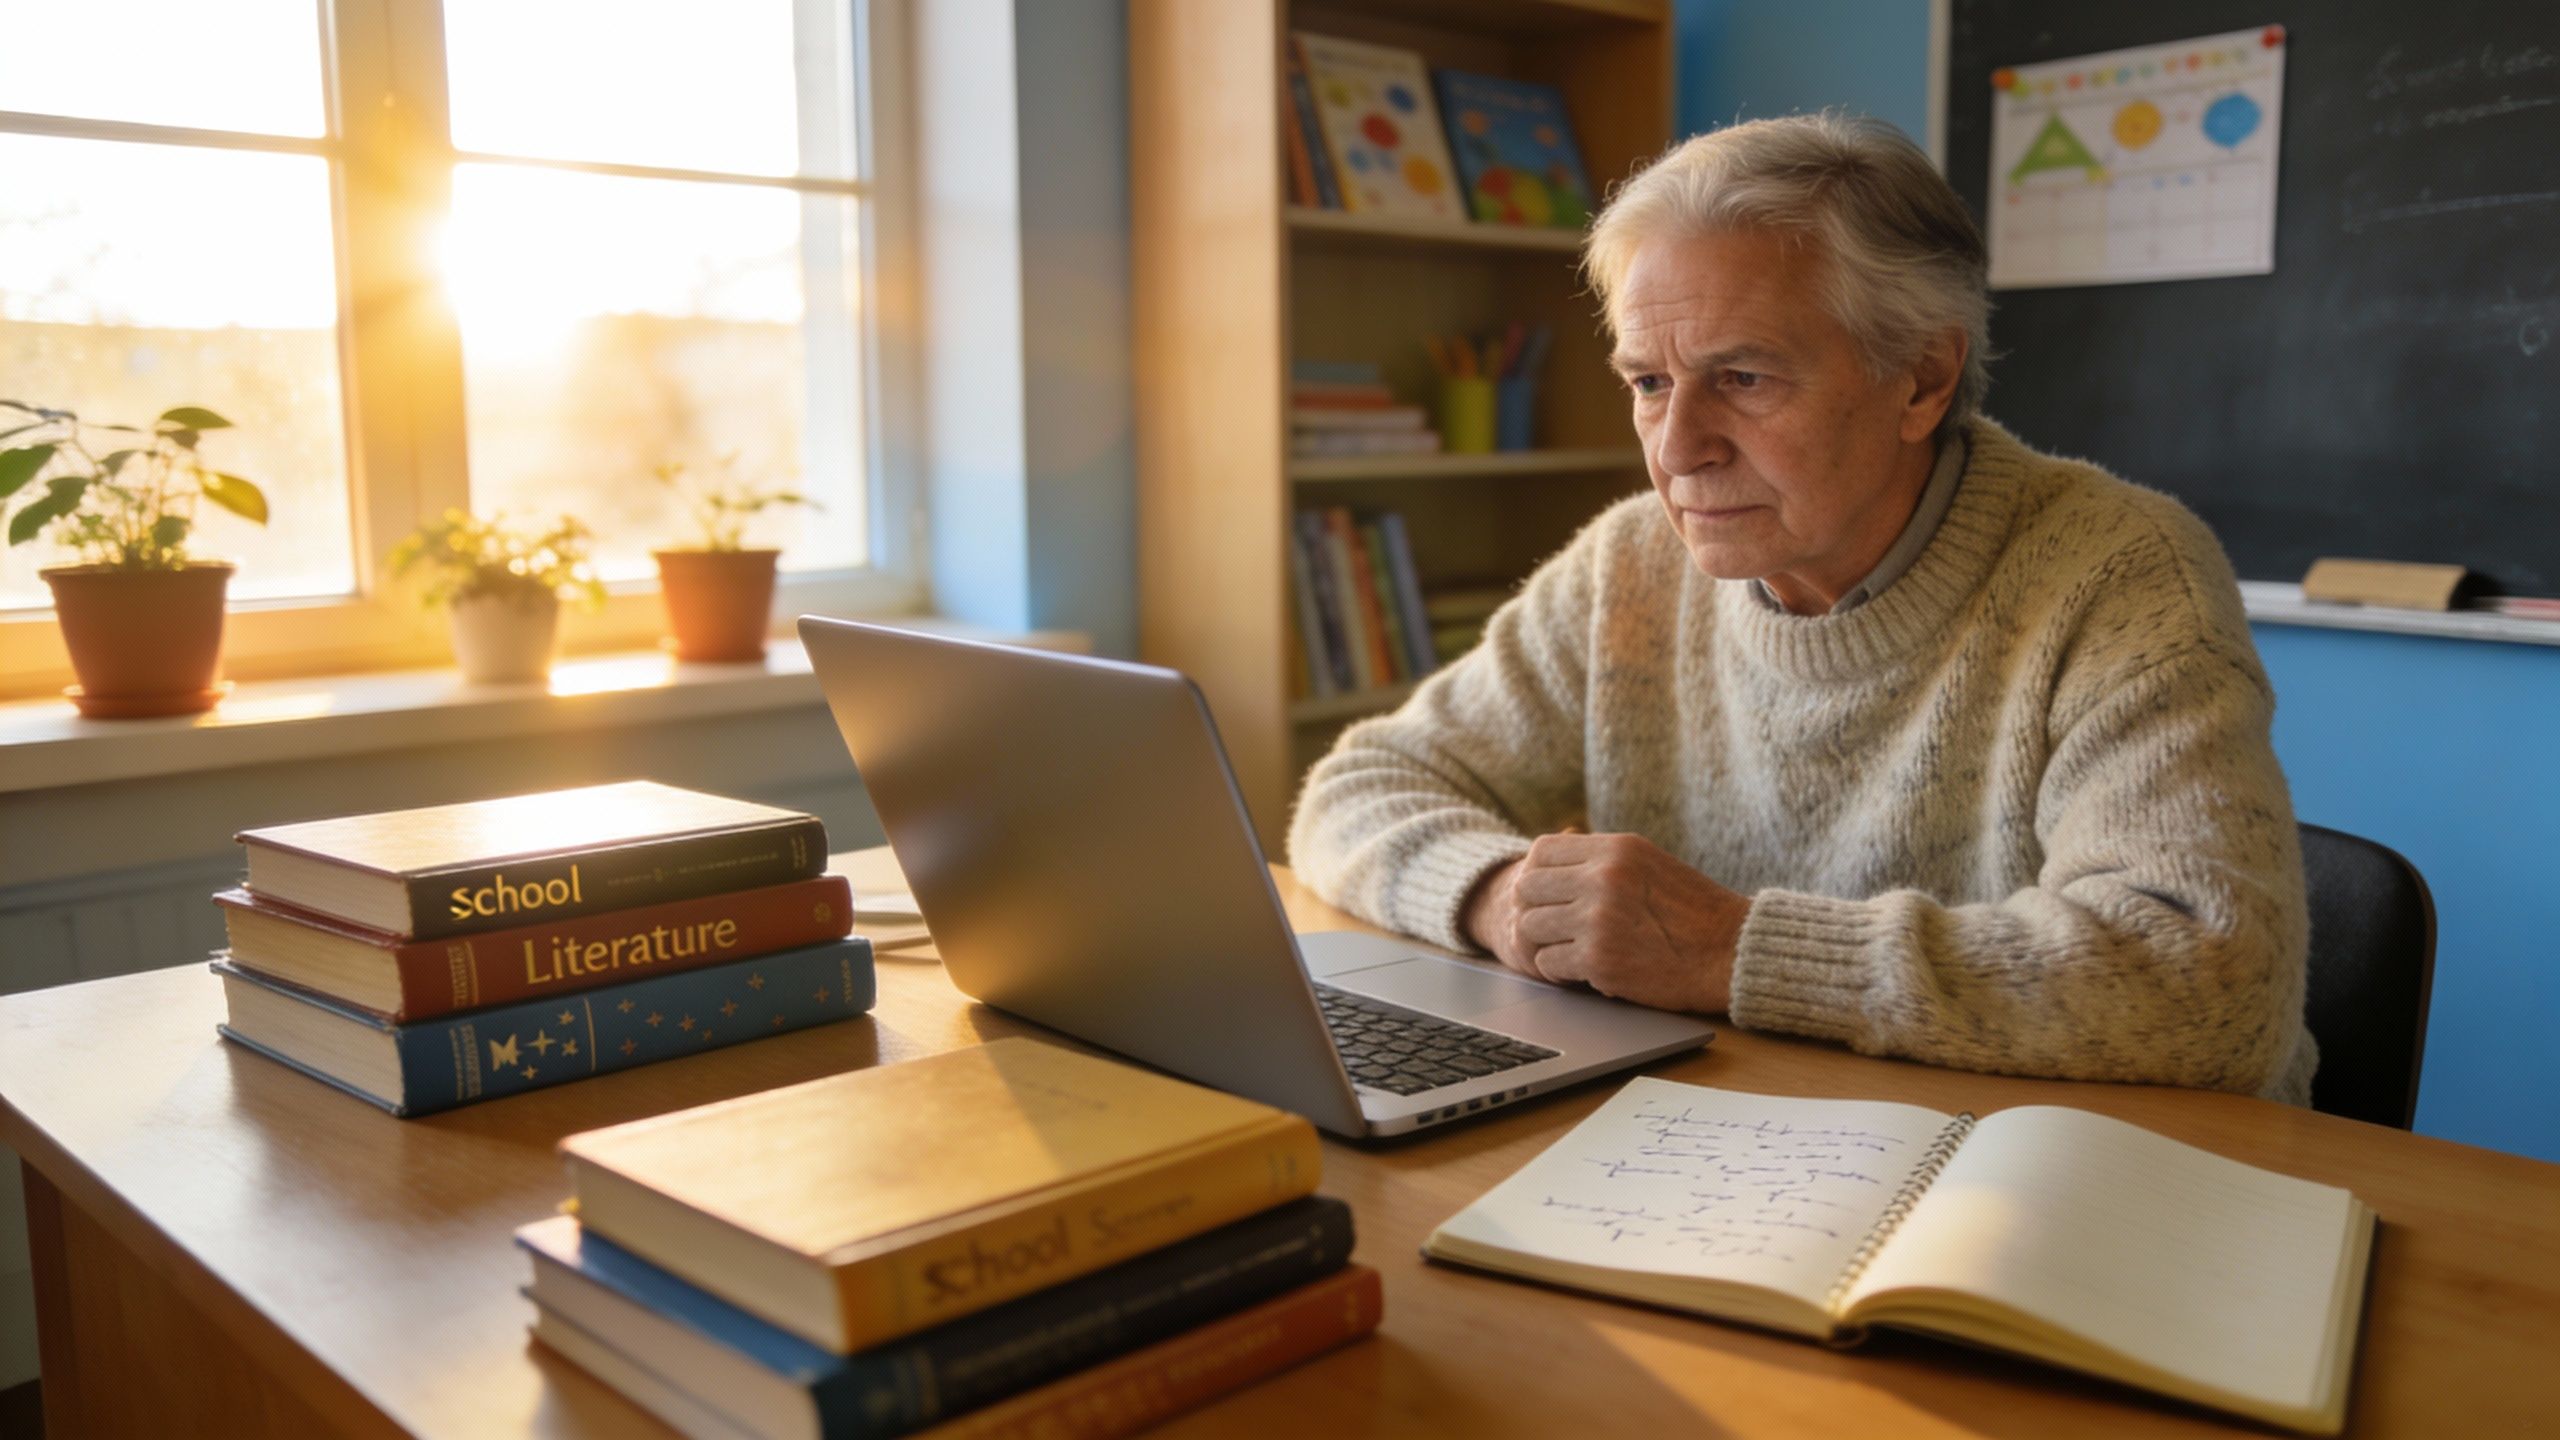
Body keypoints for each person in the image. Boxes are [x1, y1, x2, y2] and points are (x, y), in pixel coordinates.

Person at [1286, 113, 2314, 1103]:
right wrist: (1500, 897)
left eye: (1739, 377)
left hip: (2082, 1181)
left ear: (1921, 377)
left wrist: (1727, 948)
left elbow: (2206, 982)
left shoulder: (2120, 576)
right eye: (1648, 381)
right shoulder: (1629, 566)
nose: (1677, 448)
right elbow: (1356, 790)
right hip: (1739, 1143)